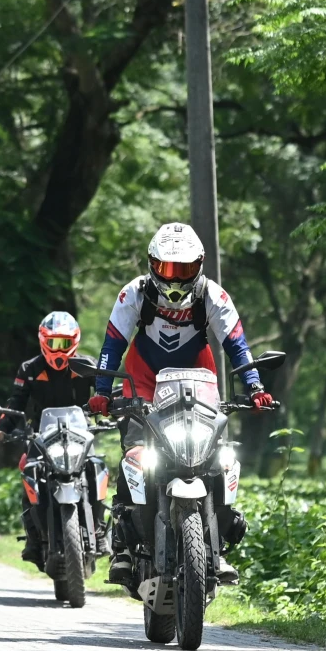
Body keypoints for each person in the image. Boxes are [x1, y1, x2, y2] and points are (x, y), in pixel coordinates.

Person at [90, 224, 277, 581]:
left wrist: (254, 386)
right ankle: (123, 547)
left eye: (185, 269)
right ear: (151, 265)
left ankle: (218, 542)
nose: (175, 279)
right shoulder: (133, 294)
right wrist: (101, 391)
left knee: (218, 458)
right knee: (135, 452)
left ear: (200, 266)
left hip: (198, 379)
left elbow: (237, 345)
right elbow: (112, 345)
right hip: (142, 381)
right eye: (167, 269)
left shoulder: (213, 296)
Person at [0, 310, 100, 562]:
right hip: (42, 435)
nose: (58, 349)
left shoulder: (87, 366)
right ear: (43, 341)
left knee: (97, 468)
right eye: (53, 343)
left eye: (64, 343)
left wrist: (116, 409)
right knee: (29, 471)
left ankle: (99, 531)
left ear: (75, 341)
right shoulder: (29, 369)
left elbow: (105, 395)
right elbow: (16, 403)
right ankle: (34, 539)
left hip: (80, 434)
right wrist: (1, 428)